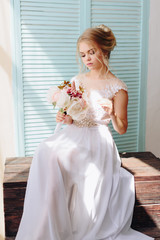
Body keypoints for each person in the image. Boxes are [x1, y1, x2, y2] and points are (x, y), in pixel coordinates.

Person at [15, 25, 154, 240]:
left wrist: (112, 113)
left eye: (92, 52)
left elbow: (122, 128)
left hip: (97, 140)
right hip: (73, 134)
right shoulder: (77, 81)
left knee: (68, 162)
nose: (87, 58)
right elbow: (73, 115)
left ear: (105, 51)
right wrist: (64, 117)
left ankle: (68, 225)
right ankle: (47, 225)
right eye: (83, 54)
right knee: (45, 151)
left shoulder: (118, 88)